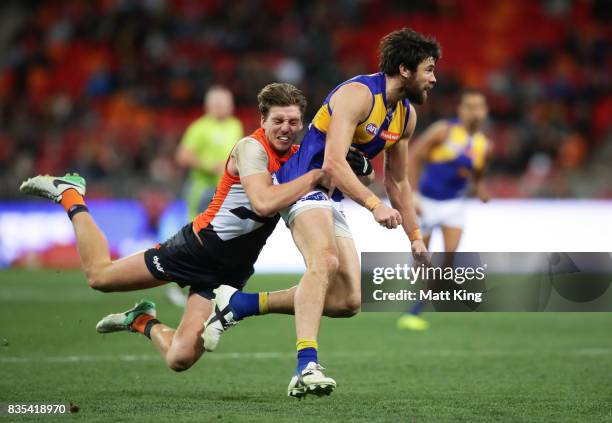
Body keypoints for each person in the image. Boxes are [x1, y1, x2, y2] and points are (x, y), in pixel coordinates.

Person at [19, 83, 371, 377]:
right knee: (99, 276)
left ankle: (141, 320)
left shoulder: (297, 156)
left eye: (294, 122)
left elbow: (331, 184)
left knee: (179, 359)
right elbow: (264, 203)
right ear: (262, 120)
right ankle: (70, 194)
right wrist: (315, 175)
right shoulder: (251, 148)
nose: (285, 128)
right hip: (197, 249)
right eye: (277, 120)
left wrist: (358, 168)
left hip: (232, 271)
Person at [202, 28, 440, 398]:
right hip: (302, 180)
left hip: (330, 196)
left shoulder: (405, 117)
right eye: (428, 69)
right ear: (406, 69)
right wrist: (374, 205)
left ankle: (238, 304)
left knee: (348, 302)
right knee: (324, 261)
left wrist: (415, 237)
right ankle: (305, 366)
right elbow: (332, 163)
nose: (434, 78)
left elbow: (399, 183)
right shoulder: (358, 95)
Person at [396, 88, 491, 331]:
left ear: (485, 111)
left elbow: (478, 172)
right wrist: (413, 193)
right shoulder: (445, 131)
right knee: (422, 256)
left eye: (479, 106)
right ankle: (418, 294)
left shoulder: (483, 145)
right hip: (427, 202)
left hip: (454, 205)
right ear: (461, 110)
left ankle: (417, 308)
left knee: (449, 258)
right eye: (470, 106)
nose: (475, 111)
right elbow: (414, 154)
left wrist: (480, 189)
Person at [167, 86, 243, 307]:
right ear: (208, 106)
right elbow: (182, 156)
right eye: (219, 104)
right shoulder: (200, 128)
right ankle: (174, 283)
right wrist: (210, 166)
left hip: (226, 189)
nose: (224, 108)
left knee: (221, 237)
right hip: (201, 188)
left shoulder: (234, 125)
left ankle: (213, 286)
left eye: (227, 103)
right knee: (193, 235)